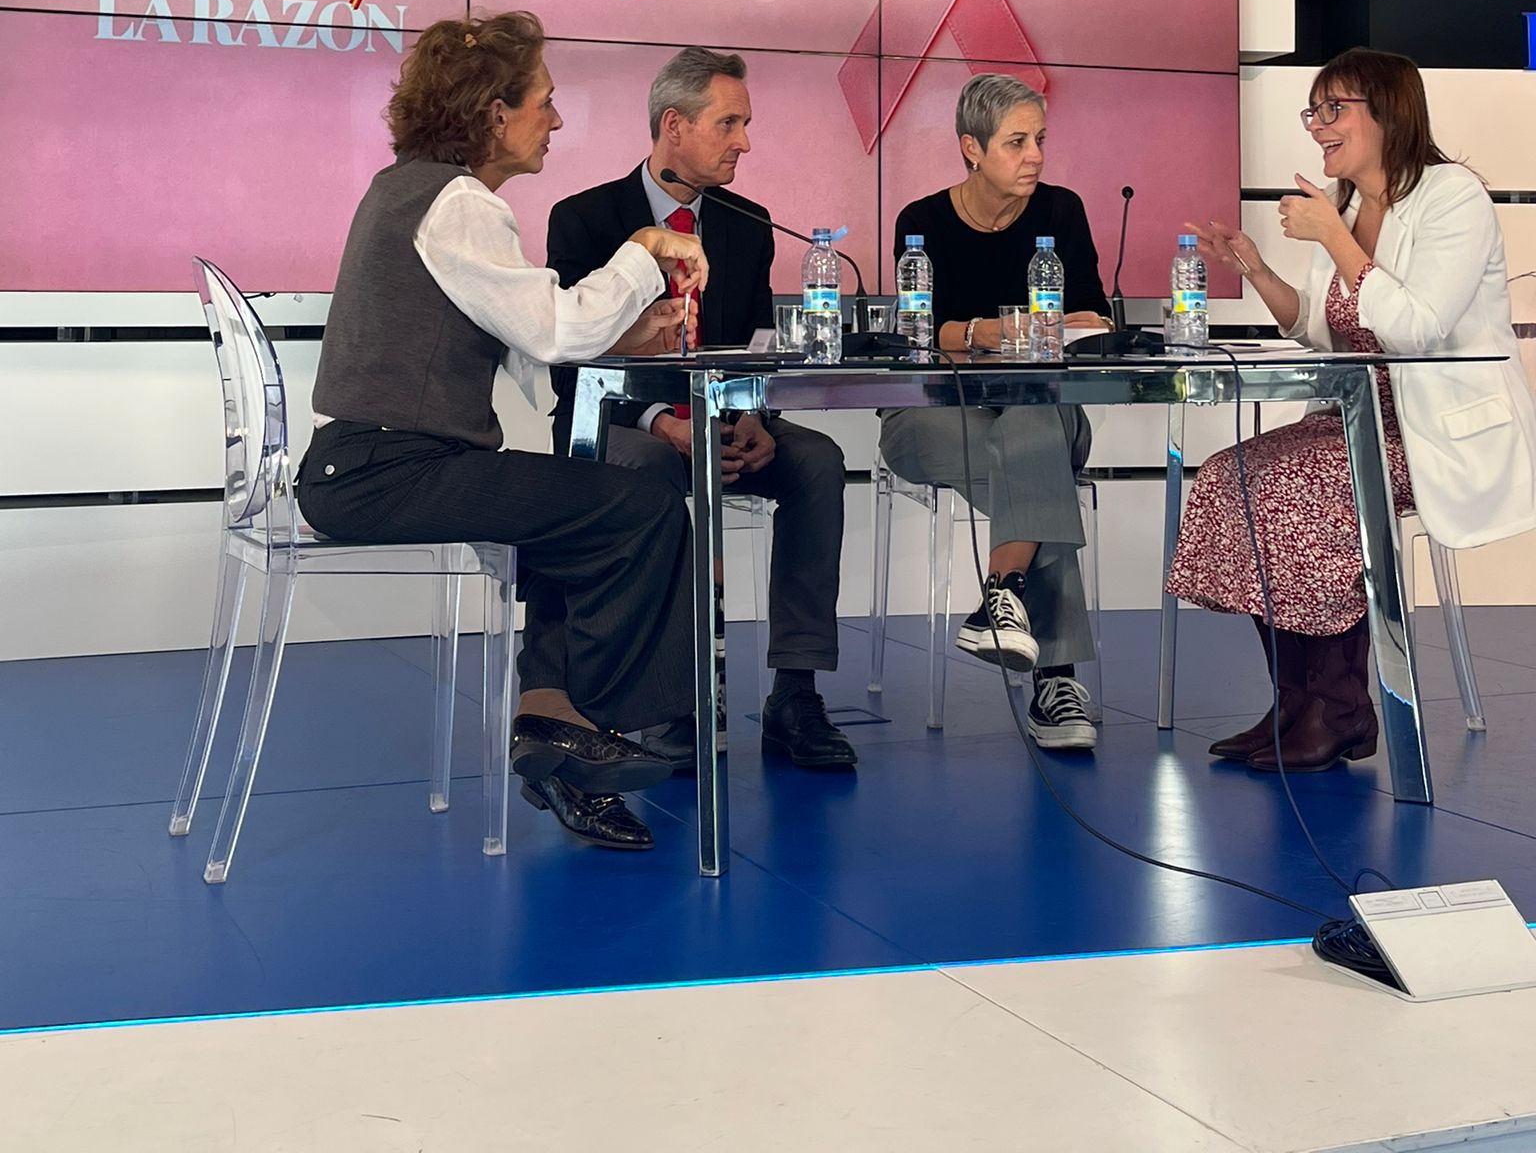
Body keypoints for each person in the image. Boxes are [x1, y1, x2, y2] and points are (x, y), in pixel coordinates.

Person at [297, 11, 710, 853]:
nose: (555, 121)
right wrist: (641, 248)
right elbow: (553, 332)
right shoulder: (458, 205)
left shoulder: (409, 187)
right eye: (544, 103)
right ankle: (607, 731)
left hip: (365, 463)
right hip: (386, 470)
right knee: (641, 508)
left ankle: (555, 724)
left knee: (577, 519)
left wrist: (627, 332)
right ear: (494, 111)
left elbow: (521, 340)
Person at [1169, 47, 1536, 774]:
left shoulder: (1450, 196)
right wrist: (1255, 267)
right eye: (1314, 111)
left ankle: (1340, 712)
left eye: (1334, 110)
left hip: (1430, 431)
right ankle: (1295, 704)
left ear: (1389, 111)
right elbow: (1320, 326)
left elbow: (1418, 325)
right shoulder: (1344, 206)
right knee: (1228, 477)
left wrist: (1335, 240)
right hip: (1352, 421)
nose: (1319, 127)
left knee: (1298, 492)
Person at [546, 46, 855, 773]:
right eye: (730, 123)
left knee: (817, 460)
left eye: (745, 124)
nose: (744, 141)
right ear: (674, 126)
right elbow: (569, 372)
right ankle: (672, 695)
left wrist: (755, 417)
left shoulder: (749, 223)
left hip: (722, 420)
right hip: (623, 428)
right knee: (650, 469)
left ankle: (796, 693)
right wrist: (667, 424)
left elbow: (752, 348)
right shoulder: (586, 218)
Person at [881, 73, 1112, 752]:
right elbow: (917, 334)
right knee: (1042, 475)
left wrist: (1032, 334)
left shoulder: (1061, 212)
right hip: (935, 414)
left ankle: (1001, 597)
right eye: (1016, 142)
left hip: (1041, 404)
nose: (1035, 156)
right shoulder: (921, 223)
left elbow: (1096, 316)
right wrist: (989, 332)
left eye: (1039, 139)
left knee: (1037, 420)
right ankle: (1055, 680)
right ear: (971, 149)